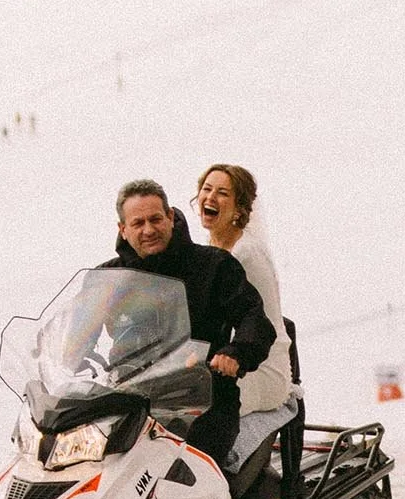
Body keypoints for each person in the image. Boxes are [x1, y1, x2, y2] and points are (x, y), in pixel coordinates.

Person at [103, 179, 274, 468]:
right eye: (138, 223)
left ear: (171, 217)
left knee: (181, 472)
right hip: (130, 402)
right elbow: (78, 331)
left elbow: (253, 317)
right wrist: (60, 354)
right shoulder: (109, 279)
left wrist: (236, 352)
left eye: (156, 219)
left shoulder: (213, 265)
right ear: (123, 229)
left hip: (201, 402)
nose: (149, 230)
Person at [193, 164, 294, 415]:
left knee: (200, 410)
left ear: (239, 208)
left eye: (222, 193)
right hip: (227, 361)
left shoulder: (245, 254)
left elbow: (256, 325)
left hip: (260, 367)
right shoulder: (212, 247)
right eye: (206, 189)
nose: (211, 197)